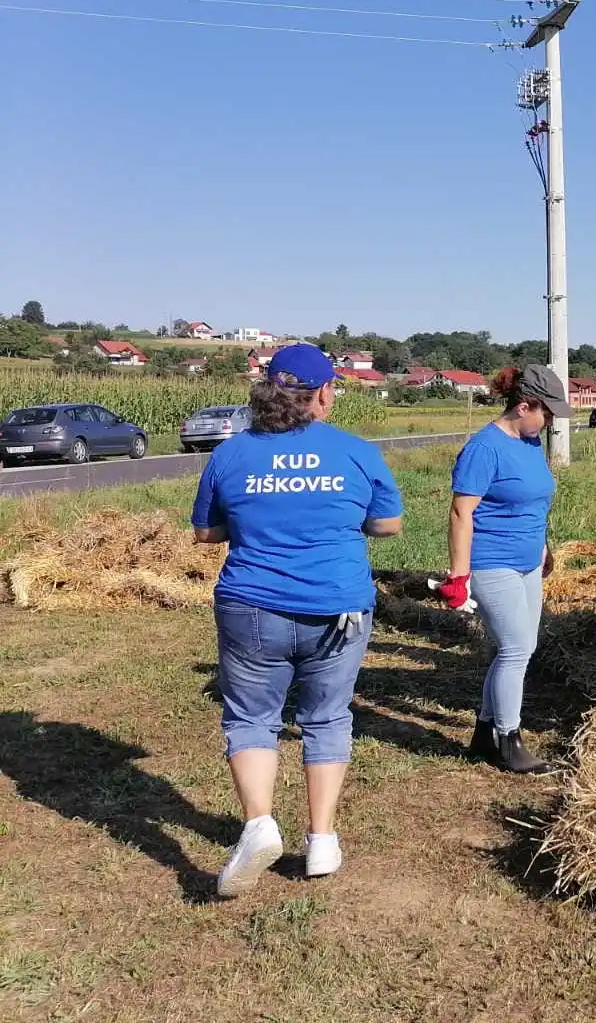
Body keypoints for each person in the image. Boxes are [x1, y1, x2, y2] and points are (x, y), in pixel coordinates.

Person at [190, 344, 403, 897]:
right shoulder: (355, 452)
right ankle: (322, 839)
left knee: (251, 718)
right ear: (325, 393)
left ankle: (259, 825)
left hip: (251, 604)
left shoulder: (231, 454)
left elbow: (206, 533)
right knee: (327, 717)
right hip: (337, 606)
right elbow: (388, 525)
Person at [436, 364, 571, 774]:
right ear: (524, 406)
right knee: (516, 648)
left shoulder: (529, 443)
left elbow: (534, 500)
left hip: (528, 562)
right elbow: (461, 512)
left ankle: (484, 733)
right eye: (547, 413)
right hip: (492, 562)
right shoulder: (484, 448)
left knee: (517, 647)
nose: (550, 422)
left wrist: (544, 548)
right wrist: (459, 576)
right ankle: (509, 741)